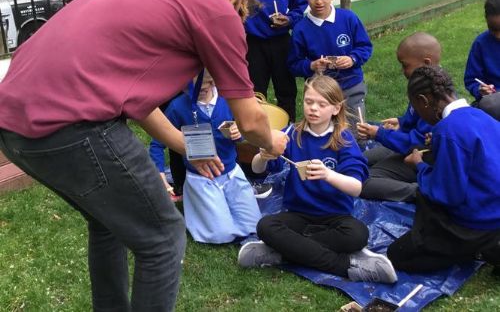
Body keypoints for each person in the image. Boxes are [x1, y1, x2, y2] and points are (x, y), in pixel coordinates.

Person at [0, 0, 288, 312]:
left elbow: (136, 99)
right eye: (242, 2)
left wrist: (187, 147)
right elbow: (249, 119)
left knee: (109, 224)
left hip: (14, 127)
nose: (240, 12)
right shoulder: (216, 8)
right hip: (74, 125)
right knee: (163, 237)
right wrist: (271, 141)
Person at [237, 75, 398, 284]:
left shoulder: (344, 140)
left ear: (336, 108)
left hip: (335, 217)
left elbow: (356, 188)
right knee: (265, 226)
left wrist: (328, 175)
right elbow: (258, 170)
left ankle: (281, 251)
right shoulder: (292, 134)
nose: (313, 108)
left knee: (358, 235)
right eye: (309, 102)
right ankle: (346, 266)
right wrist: (263, 156)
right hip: (298, 215)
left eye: (322, 104)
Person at [387, 65, 500, 273]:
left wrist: (419, 165)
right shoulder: (482, 116)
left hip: (476, 223)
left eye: (417, 108)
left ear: (424, 100)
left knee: (397, 254)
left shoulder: (448, 130)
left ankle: (477, 248)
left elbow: (448, 194)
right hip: (495, 209)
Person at [150, 70, 262, 243]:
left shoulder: (228, 100)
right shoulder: (178, 107)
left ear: (214, 82)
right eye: (191, 89)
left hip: (231, 172)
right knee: (221, 234)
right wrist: (160, 175)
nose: (197, 93)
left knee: (253, 225)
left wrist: (239, 132)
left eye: (203, 88)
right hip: (201, 178)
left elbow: (249, 131)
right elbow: (157, 143)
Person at [357, 32, 440, 202]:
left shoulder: (433, 100)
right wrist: (401, 122)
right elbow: (413, 121)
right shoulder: (423, 87)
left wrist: (378, 134)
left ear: (426, 63)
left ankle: (422, 192)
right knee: (358, 161)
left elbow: (415, 143)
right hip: (406, 145)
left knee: (364, 180)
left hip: (422, 156)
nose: (402, 71)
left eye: (405, 65)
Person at [287, 0, 372, 124]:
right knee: (323, 132)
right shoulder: (300, 29)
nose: (319, 1)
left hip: (351, 86)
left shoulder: (348, 18)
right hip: (320, 93)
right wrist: (311, 65)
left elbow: (365, 47)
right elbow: (293, 64)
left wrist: (352, 59)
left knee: (354, 131)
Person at [244, 0, 308, 122]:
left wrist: (289, 20)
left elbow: (300, 7)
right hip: (254, 43)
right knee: (256, 91)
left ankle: (288, 128)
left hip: (281, 42)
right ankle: (259, 132)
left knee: (286, 89)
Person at [464, 0, 500, 121]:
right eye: (493, 29)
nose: (498, 36)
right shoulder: (481, 44)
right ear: (486, 20)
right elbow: (471, 79)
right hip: (494, 100)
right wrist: (480, 89)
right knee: (488, 105)